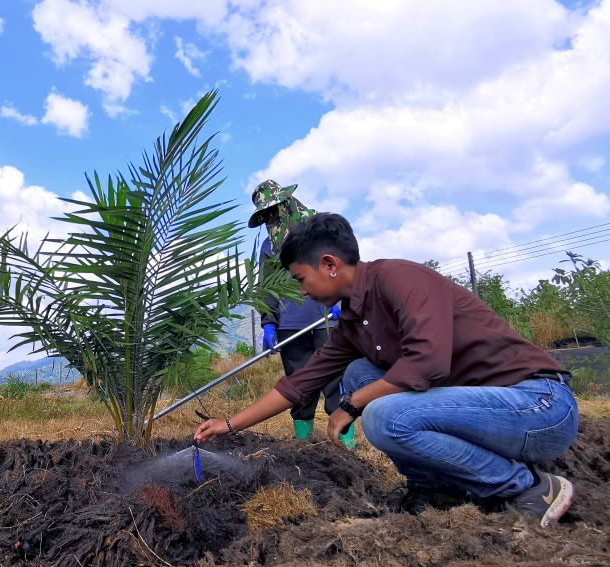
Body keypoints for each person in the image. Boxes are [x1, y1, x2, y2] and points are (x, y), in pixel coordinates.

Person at [195, 213, 579, 528]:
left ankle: (529, 488)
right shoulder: (353, 320)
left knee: (383, 415)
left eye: (300, 279)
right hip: (484, 414)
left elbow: (427, 363)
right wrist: (227, 425)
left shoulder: (400, 278)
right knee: (360, 372)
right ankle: (433, 487)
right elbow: (300, 383)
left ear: (328, 265)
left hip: (538, 406)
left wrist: (353, 404)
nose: (302, 292)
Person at [249, 180, 347, 443]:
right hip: (290, 324)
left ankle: (345, 438)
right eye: (266, 214)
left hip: (326, 320)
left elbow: (339, 265)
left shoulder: (318, 232)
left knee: (334, 378)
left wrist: (341, 302)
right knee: (300, 381)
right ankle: (304, 441)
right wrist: (269, 322)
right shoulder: (269, 247)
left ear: (286, 203)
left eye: (275, 209)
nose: (272, 217)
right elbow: (265, 287)